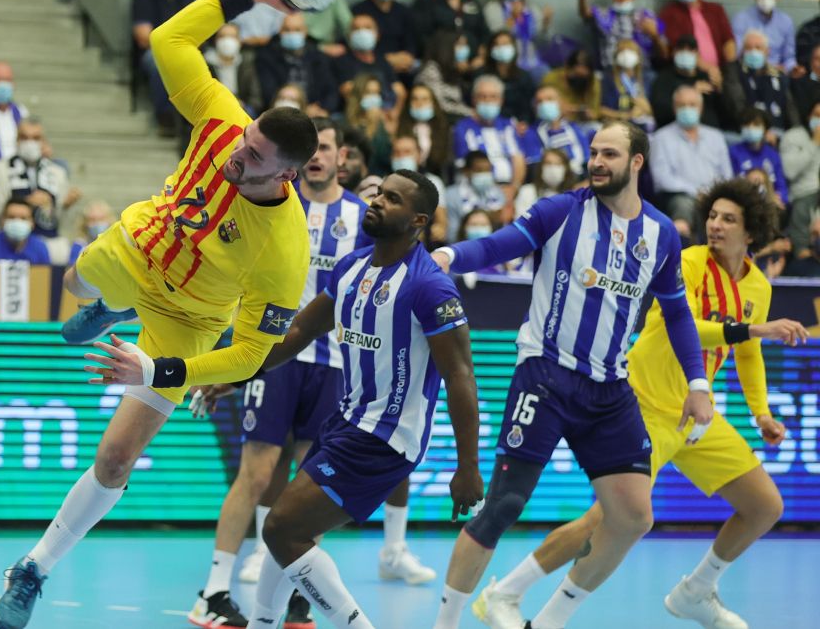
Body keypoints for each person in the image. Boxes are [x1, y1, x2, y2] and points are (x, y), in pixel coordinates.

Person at [0, 0, 318, 629]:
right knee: (76, 289)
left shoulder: (284, 248)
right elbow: (169, 40)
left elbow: (254, 353)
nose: (238, 154)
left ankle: (32, 568)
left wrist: (160, 370)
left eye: (255, 158)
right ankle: (111, 306)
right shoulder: (224, 120)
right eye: (245, 139)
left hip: (188, 320)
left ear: (285, 174)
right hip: (140, 247)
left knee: (116, 457)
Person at [473, 178, 809, 629]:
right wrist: (751, 330)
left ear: (751, 234)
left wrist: (761, 411)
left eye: (729, 220)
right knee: (608, 518)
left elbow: (748, 355)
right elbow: (682, 325)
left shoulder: (757, 289)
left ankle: (695, 591)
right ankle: (505, 593)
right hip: (642, 406)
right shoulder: (686, 262)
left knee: (765, 505)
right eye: (712, 216)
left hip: (696, 415)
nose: (715, 225)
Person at [429, 120, 714, 629]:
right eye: (594, 152)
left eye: (610, 153)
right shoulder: (562, 211)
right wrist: (449, 254)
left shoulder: (661, 234)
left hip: (610, 388)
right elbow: (498, 246)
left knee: (633, 517)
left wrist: (698, 385)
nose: (597, 161)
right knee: (503, 506)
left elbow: (676, 314)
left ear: (636, 163)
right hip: (545, 374)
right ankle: (444, 625)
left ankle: (549, 620)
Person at [231, 169, 484, 629]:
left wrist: (468, 465)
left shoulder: (430, 286)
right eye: (378, 193)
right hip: (345, 423)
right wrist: (237, 372)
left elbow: (461, 377)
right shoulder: (352, 267)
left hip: (385, 439)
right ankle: (262, 624)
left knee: (281, 527)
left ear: (417, 220)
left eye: (392, 199)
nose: (377, 202)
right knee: (288, 531)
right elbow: (302, 330)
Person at [186, 118, 376, 629]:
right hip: (277, 357)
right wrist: (236, 361)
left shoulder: (361, 216)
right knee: (257, 472)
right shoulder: (273, 202)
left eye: (328, 148)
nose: (319, 157)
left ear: (342, 158)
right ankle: (215, 591)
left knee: (308, 485)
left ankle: (295, 593)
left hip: (334, 367)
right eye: (312, 150)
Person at [131, 0, 200, 136]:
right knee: (158, 63)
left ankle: (199, 118)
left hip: (190, 48)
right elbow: (143, 37)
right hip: (156, 51)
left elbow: (201, 28)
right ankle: (166, 116)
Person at [651, 85, 735, 231]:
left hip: (714, 195)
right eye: (681, 105)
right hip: (681, 197)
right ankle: (681, 249)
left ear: (701, 108)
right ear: (674, 108)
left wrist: (711, 194)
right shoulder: (661, 137)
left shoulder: (716, 137)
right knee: (682, 204)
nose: (687, 109)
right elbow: (661, 179)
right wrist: (696, 192)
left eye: (692, 105)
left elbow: (727, 175)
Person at [0, 120, 76, 240]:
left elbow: (64, 221)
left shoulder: (57, 172)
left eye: (36, 138)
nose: (30, 143)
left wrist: (65, 205)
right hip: (10, 237)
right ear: (16, 141)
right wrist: (26, 202)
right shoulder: (0, 169)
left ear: (44, 142)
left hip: (48, 236)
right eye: (24, 138)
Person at [453, 74, 526, 196]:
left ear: (501, 101)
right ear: (474, 100)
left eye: (493, 97)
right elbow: (465, 166)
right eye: (482, 97)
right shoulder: (462, 128)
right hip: (476, 189)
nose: (488, 101)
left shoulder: (508, 125)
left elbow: (518, 159)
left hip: (509, 188)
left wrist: (514, 188)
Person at [254, 12, 339, 116]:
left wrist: (324, 109)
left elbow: (331, 89)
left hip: (316, 111)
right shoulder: (267, 57)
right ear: (280, 32)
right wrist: (303, 109)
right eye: (287, 30)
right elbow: (268, 93)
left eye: (297, 30)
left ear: (305, 31)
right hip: (280, 110)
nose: (292, 34)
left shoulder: (318, 57)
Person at [660, 0, 738, 72]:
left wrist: (731, 70)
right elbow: (677, 48)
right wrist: (710, 70)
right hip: (691, 72)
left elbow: (728, 40)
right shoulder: (669, 13)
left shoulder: (715, 9)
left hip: (722, 70)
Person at [581, 0, 668, 69]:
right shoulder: (604, 14)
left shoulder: (647, 15)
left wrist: (655, 36)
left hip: (641, 71)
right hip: (611, 70)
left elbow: (664, 54)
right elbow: (585, 13)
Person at [350, 0, 418, 76]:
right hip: (368, 66)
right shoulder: (358, 10)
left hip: (401, 68)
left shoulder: (405, 12)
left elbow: (411, 46)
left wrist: (406, 58)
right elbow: (353, 44)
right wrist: (385, 61)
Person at [483, 0, 551, 81]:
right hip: (509, 62)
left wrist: (545, 25)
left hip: (533, 62)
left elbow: (543, 42)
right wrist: (512, 19)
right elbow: (496, 36)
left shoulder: (533, 9)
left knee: (547, 77)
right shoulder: (493, 7)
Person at [736, 28, 800, 136]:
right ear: (742, 51)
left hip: (779, 131)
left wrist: (797, 133)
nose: (753, 52)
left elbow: (790, 108)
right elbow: (737, 106)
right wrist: (761, 130)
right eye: (748, 48)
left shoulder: (778, 75)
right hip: (749, 131)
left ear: (767, 51)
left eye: (758, 48)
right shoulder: (735, 71)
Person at [521, 86, 593, 177]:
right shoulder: (530, 133)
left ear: (561, 102)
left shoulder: (575, 128)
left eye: (549, 99)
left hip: (582, 177)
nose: (544, 104)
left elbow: (587, 158)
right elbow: (535, 165)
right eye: (539, 101)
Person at [731, 0, 798, 73]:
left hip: (777, 73)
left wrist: (791, 68)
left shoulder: (786, 21)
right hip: (747, 71)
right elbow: (737, 53)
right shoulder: (741, 19)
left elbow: (789, 57)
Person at [780, 102, 820, 264]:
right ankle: (801, 254)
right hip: (802, 192)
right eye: (817, 115)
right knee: (803, 206)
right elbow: (790, 171)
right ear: (809, 115)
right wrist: (814, 144)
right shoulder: (794, 136)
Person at [729, 107, 789, 206]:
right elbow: (730, 182)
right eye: (747, 125)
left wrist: (778, 198)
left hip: (769, 204)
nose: (751, 128)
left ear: (765, 129)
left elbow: (782, 188)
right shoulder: (734, 152)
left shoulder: (773, 155)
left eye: (756, 125)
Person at [474, 30, 536, 122]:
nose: (501, 48)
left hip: (516, 125)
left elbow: (527, 108)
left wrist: (524, 122)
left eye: (505, 44)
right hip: (484, 121)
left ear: (514, 47)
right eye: (497, 45)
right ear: (491, 49)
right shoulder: (480, 74)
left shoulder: (525, 77)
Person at [395, 83, 452, 177]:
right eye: (415, 99)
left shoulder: (444, 129)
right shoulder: (399, 127)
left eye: (425, 99)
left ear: (433, 103)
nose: (420, 104)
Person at [0, 198, 50, 263]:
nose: (17, 222)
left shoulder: (40, 248)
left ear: (32, 223)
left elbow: (47, 278)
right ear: (2, 221)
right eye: (11, 217)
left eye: (23, 218)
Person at [600, 38, 656, 131]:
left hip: (645, 125)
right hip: (617, 125)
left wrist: (648, 109)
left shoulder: (649, 77)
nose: (626, 55)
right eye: (622, 51)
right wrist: (626, 115)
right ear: (616, 56)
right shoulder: (608, 78)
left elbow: (659, 110)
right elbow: (601, 110)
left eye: (630, 51)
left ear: (638, 55)